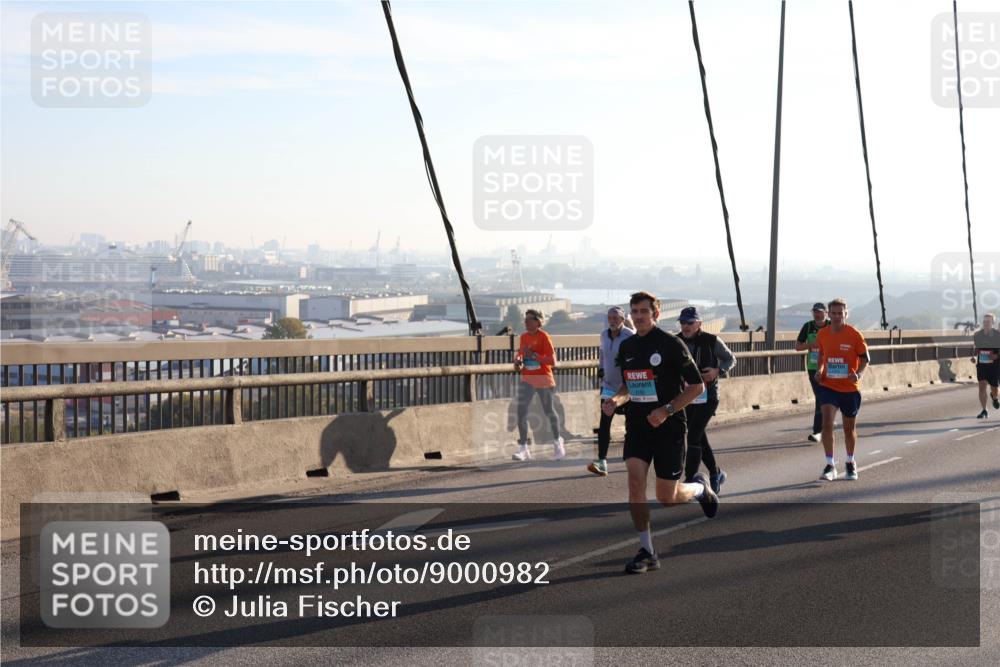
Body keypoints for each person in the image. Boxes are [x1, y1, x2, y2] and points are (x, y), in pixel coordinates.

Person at [602, 292, 719, 574]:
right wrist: (615, 401)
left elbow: (696, 387)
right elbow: (628, 386)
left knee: (667, 497)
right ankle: (647, 550)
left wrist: (666, 410)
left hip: (670, 428)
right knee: (634, 483)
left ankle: (701, 489)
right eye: (635, 311)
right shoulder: (627, 346)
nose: (639, 316)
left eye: (644, 311)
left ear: (656, 313)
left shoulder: (671, 344)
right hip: (638, 427)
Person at [677, 306, 736, 494]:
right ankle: (715, 473)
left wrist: (717, 371)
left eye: (690, 322)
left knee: (693, 435)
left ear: (699, 323)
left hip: (707, 396)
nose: (686, 326)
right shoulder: (675, 341)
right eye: (683, 322)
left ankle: (690, 479)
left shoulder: (711, 341)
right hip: (686, 397)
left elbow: (730, 359)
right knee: (699, 436)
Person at [814, 298, 869, 481]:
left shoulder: (854, 335)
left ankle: (850, 461)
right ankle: (830, 465)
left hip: (849, 388)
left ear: (846, 314)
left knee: (848, 429)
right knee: (827, 423)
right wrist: (820, 370)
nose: (837, 316)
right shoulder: (822, 334)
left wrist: (858, 375)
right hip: (828, 385)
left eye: (840, 313)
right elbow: (822, 354)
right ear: (828, 314)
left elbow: (865, 358)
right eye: (834, 313)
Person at [511, 309, 565, 461]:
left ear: (538, 321)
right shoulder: (523, 337)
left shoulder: (544, 336)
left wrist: (534, 356)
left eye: (529, 319)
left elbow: (552, 361)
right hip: (528, 379)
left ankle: (557, 443)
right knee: (521, 411)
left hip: (543, 379)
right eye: (525, 319)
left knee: (548, 411)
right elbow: (521, 355)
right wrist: (518, 361)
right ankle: (523, 448)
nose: (526, 322)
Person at [589, 306, 635, 476]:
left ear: (623, 320)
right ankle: (602, 460)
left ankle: (631, 456)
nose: (612, 320)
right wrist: (601, 369)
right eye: (610, 317)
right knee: (604, 423)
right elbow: (602, 354)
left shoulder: (629, 335)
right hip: (609, 386)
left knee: (630, 424)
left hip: (627, 388)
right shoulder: (603, 335)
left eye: (616, 317)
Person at [795, 303, 831, 442]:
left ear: (826, 313)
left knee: (826, 398)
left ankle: (826, 421)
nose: (817, 314)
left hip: (830, 366)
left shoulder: (830, 325)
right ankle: (819, 431)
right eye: (814, 312)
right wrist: (811, 345)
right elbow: (797, 347)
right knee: (820, 397)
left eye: (820, 312)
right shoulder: (808, 326)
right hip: (813, 367)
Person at [972, 313, 1000, 419]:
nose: (986, 323)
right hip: (982, 365)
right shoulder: (978, 335)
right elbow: (976, 349)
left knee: (995, 388)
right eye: (984, 321)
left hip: (995, 366)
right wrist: (974, 356)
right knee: (982, 386)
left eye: (988, 322)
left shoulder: (998, 335)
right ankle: (984, 410)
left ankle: (995, 397)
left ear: (993, 323)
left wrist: (996, 355)